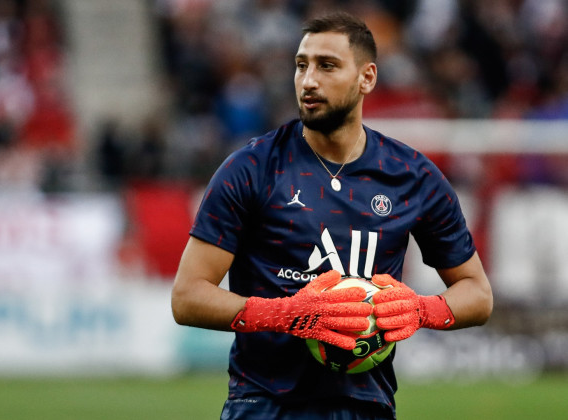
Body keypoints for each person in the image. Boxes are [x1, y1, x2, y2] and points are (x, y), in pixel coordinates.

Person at [171, 11, 493, 420]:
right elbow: (187, 297)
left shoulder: (413, 176)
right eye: (301, 65)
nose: (308, 80)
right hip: (264, 405)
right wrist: (285, 314)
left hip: (365, 406)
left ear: (367, 78)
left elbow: (477, 294)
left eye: (327, 66)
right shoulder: (251, 168)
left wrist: (420, 310)